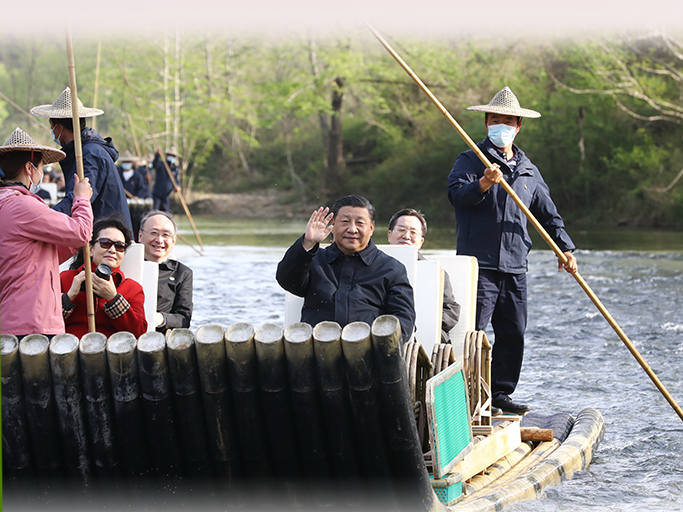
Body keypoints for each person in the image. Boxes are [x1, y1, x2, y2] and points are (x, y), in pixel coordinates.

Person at [447, 86, 578, 414]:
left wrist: (565, 249)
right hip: (480, 264)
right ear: (487, 123)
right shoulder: (471, 160)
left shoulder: (528, 170)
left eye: (507, 121)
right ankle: (465, 397)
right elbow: (457, 196)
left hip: (516, 264)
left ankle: (501, 395)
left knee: (513, 333)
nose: (500, 125)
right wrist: (483, 184)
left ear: (518, 126)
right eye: (495, 120)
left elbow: (547, 213)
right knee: (472, 333)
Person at [276, 195, 415, 343]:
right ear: (333, 225)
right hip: (315, 352)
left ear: (371, 228)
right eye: (345, 222)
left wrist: (381, 346)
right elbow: (287, 281)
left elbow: (404, 319)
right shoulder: (314, 260)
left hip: (369, 354)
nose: (352, 229)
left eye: (360, 223)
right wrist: (308, 242)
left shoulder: (391, 268)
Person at [0, 127, 93, 337]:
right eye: (41, 167)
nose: (41, 174)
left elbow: (38, 254)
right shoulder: (22, 206)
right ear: (29, 168)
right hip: (30, 322)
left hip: (10, 320)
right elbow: (81, 232)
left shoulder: (6, 204)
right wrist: (82, 199)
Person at [30, 87, 133, 231]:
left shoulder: (91, 154)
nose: (52, 131)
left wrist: (40, 220)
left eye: (52, 126)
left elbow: (78, 199)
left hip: (108, 238)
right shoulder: (84, 151)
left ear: (58, 128)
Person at [61, 216, 147, 339]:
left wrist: (114, 299)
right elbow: (45, 325)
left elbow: (139, 333)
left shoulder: (132, 288)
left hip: (114, 353)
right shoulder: (65, 278)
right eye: (105, 243)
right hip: (70, 350)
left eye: (120, 246)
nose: (112, 250)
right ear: (90, 249)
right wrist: (68, 298)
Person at [387, 208, 460, 344]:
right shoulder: (371, 267)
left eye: (413, 232)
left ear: (421, 241)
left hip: (423, 335)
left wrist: (424, 319)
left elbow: (451, 312)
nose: (407, 236)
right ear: (389, 235)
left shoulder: (436, 273)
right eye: (401, 230)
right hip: (382, 330)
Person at [138, 210, 193, 333]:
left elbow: (184, 318)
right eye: (154, 233)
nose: (159, 240)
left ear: (173, 241)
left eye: (166, 235)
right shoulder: (127, 264)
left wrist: (161, 319)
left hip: (160, 336)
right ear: (140, 236)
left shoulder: (182, 273)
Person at [151, 148, 180, 212]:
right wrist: (157, 155)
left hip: (166, 195)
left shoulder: (175, 169)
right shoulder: (161, 165)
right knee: (155, 211)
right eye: (170, 155)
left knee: (166, 212)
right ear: (166, 156)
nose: (171, 157)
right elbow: (154, 165)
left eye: (173, 156)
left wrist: (177, 186)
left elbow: (176, 180)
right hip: (157, 194)